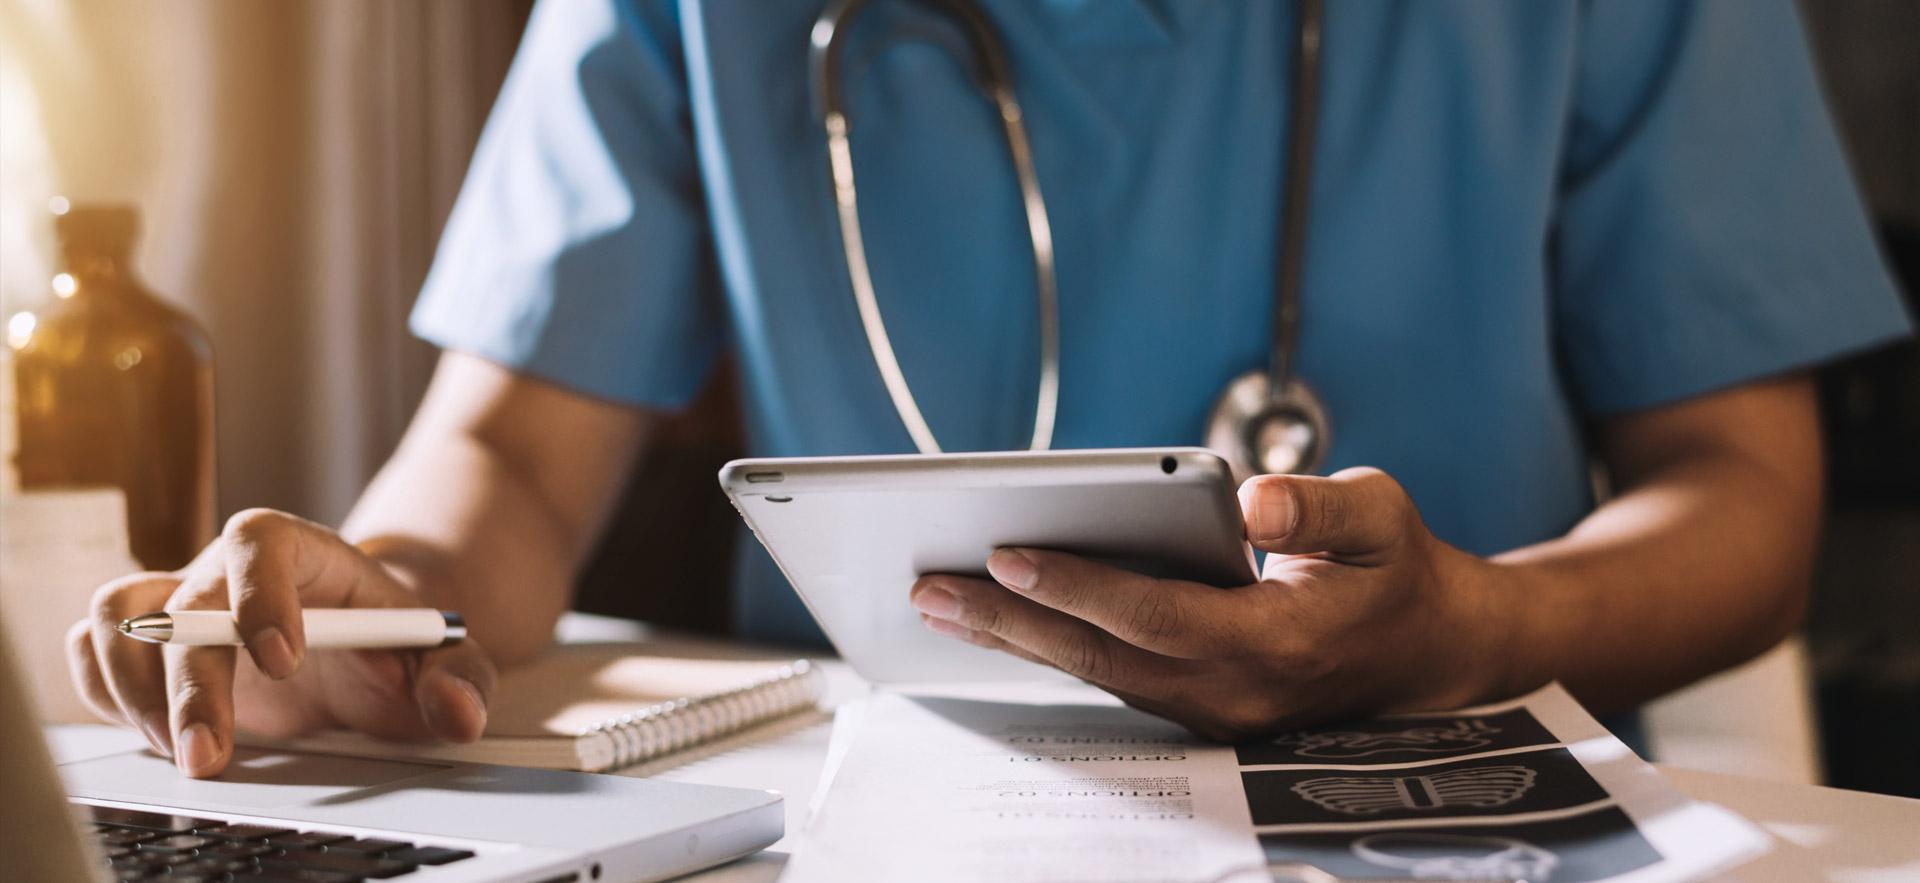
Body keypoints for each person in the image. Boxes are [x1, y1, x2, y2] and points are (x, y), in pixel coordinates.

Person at [68, 0, 1909, 778]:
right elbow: (510, 466)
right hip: (872, 820)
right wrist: (371, 608)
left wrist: (1475, 630)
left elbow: (1745, 490)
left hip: (1444, 800)